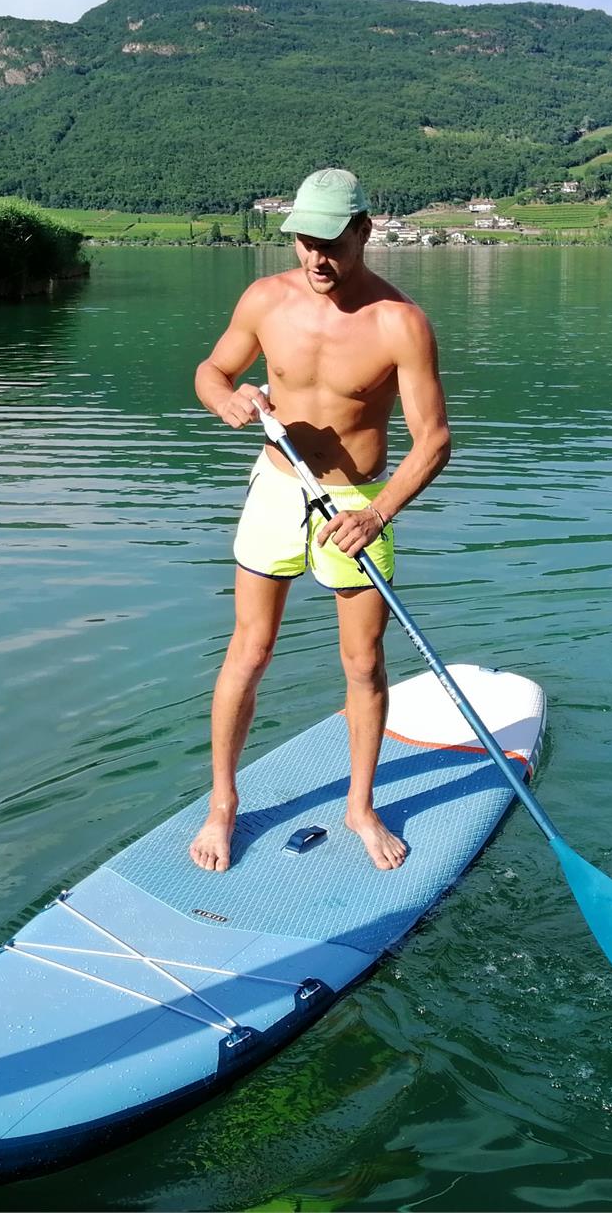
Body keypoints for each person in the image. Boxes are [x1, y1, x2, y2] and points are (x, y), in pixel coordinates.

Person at [190, 168, 450, 873]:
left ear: (365, 230)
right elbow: (211, 370)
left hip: (359, 505)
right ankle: (223, 804)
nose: (316, 257)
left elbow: (434, 442)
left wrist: (379, 513)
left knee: (363, 663)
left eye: (332, 241)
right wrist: (226, 400)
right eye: (306, 240)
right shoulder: (265, 300)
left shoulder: (400, 323)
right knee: (250, 651)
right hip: (277, 492)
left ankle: (361, 808)